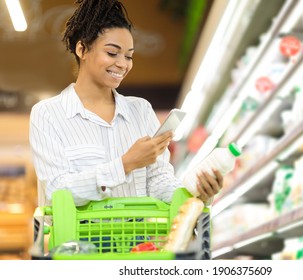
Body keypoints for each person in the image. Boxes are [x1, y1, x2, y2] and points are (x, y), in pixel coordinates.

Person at [29, 0, 223, 208]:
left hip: (141, 238)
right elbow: (55, 191)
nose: (122, 64)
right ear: (82, 49)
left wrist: (196, 193)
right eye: (112, 53)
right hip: (80, 239)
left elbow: (158, 181)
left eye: (129, 56)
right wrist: (125, 164)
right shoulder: (48, 114)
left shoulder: (141, 110)